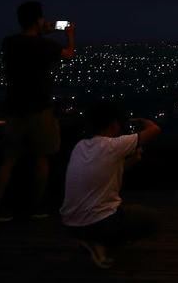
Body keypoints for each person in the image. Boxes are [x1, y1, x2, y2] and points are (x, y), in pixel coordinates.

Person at [0, 0, 75, 222]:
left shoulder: (10, 43)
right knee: (41, 158)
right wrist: (69, 33)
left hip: (15, 108)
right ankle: (36, 206)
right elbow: (68, 53)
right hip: (39, 108)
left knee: (9, 159)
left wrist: (39, 30)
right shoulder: (45, 47)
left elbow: (27, 43)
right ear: (38, 20)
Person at [60, 100, 162, 269]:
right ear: (114, 125)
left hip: (70, 224)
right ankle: (102, 244)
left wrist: (132, 161)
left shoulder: (80, 146)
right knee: (152, 219)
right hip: (97, 223)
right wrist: (143, 121)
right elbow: (154, 130)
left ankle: (92, 239)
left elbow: (105, 171)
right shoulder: (114, 146)